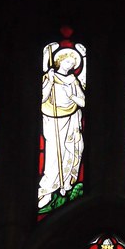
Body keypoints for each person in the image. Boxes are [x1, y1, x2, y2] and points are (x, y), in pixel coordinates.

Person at [39, 46, 85, 208]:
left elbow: (83, 101)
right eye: (67, 62)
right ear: (59, 61)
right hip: (52, 119)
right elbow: (42, 98)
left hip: (71, 117)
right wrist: (50, 81)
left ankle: (66, 182)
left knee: (72, 150)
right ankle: (48, 189)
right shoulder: (49, 77)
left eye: (72, 63)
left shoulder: (73, 80)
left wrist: (72, 96)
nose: (69, 65)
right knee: (53, 154)